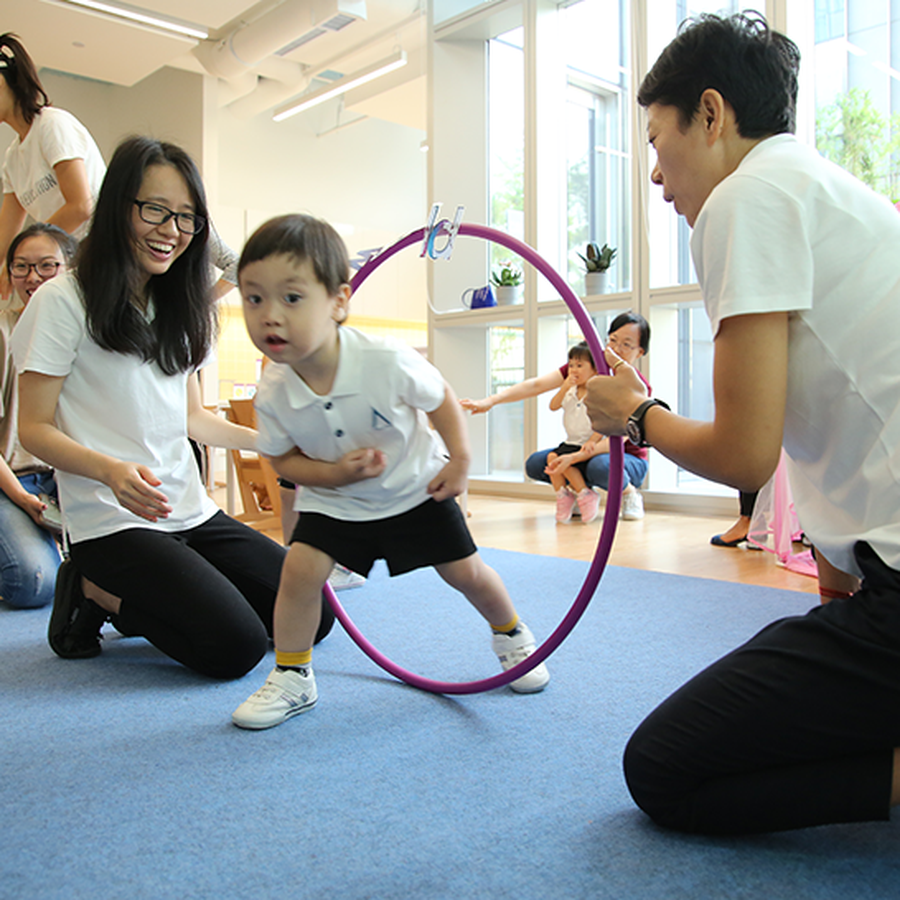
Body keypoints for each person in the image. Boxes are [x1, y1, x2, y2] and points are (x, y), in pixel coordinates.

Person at [585, 12, 900, 834]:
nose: (656, 177)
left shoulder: (746, 199)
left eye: (657, 142)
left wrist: (638, 415)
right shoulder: (826, 193)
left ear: (713, 115)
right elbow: (836, 419)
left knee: (663, 768)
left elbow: (746, 454)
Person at [13, 136, 333, 675]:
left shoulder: (177, 308)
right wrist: (110, 471)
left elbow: (192, 419)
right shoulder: (61, 302)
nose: (172, 232)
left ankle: (179, 587)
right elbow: (34, 429)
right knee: (234, 647)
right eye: (155, 210)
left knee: (311, 613)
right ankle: (95, 591)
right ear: (118, 208)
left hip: (188, 510)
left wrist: (275, 443)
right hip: (111, 522)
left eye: (186, 218)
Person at [231, 214, 549, 729]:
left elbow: (441, 398)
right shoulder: (272, 389)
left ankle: (511, 634)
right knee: (298, 571)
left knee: (464, 572)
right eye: (253, 298)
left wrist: (461, 461)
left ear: (338, 301)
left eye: (291, 298)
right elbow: (282, 460)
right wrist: (333, 475)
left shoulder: (383, 360)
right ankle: (293, 675)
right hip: (335, 501)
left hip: (414, 488)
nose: (270, 316)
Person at [461, 312, 651, 520]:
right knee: (537, 463)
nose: (615, 348)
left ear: (640, 352)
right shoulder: (588, 365)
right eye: (613, 340)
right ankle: (582, 493)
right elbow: (537, 385)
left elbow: (617, 440)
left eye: (626, 344)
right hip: (584, 448)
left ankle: (629, 493)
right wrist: (490, 401)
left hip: (625, 457)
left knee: (600, 466)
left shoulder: (636, 386)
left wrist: (573, 458)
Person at [0, 223, 76, 608]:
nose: (33, 278)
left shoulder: (83, 332)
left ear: (71, 270)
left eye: (48, 266)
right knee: (33, 583)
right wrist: (20, 497)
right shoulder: (3, 333)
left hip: (71, 479)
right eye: (21, 267)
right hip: (11, 482)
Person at [0, 34, 105, 299]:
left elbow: (81, 206)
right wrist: (11, 260)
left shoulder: (51, 125)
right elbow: (6, 231)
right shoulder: (13, 158)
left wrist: (23, 255)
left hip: (100, 255)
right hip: (64, 261)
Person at [543, 341, 603, 524]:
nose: (574, 370)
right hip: (571, 441)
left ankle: (585, 494)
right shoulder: (570, 391)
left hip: (587, 442)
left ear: (594, 369)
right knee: (552, 458)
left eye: (580, 365)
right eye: (571, 365)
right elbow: (553, 406)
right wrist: (564, 387)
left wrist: (593, 440)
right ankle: (563, 495)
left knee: (565, 463)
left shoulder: (597, 392)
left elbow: (602, 421)